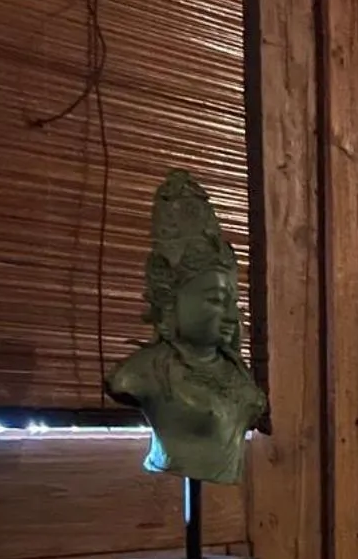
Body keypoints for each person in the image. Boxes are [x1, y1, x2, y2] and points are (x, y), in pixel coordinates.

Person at [106, 171, 266, 485]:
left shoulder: (230, 367)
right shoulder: (143, 373)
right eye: (217, 300)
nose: (231, 317)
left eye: (233, 302)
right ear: (170, 300)